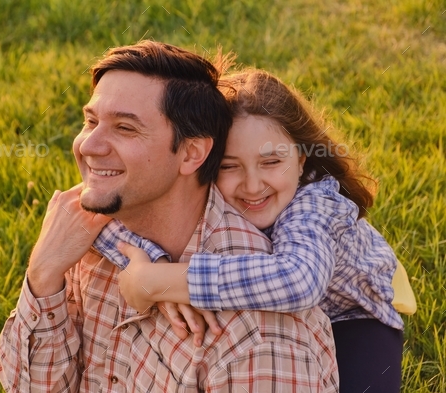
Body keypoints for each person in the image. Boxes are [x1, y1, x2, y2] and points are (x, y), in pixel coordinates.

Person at [0, 42, 339, 392]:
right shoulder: (87, 230)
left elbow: (301, 277)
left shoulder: (256, 337)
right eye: (91, 121)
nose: (88, 146)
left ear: (191, 153)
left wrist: (163, 281)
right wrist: (43, 273)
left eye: (125, 128)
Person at [106, 69, 404, 392]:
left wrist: (163, 282)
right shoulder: (203, 186)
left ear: (301, 159)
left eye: (271, 162)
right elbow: (100, 211)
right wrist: (153, 262)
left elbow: (299, 280)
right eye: (229, 166)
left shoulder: (314, 202)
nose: (252, 185)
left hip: (349, 314)